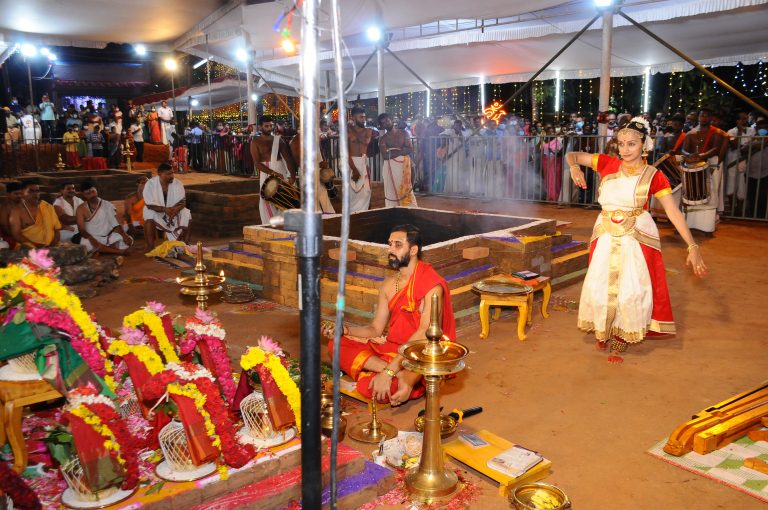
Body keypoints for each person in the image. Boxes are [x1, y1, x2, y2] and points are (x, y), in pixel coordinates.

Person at [566, 117, 706, 364]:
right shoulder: (607, 163)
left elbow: (673, 212)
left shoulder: (654, 176)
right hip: (606, 233)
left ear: (645, 144)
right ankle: (605, 327)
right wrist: (574, 167)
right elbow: (574, 155)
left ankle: (621, 337)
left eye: (631, 144)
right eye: (621, 144)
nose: (625, 149)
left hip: (635, 237)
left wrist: (692, 246)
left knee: (630, 289)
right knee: (599, 284)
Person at [323, 224, 456, 404]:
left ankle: (403, 379)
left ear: (414, 250)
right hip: (392, 350)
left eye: (398, 245)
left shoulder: (431, 285)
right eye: (390, 244)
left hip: (418, 354)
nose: (390, 249)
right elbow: (375, 329)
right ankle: (399, 377)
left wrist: (389, 372)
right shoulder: (388, 284)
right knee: (335, 344)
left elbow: (424, 334)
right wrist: (344, 330)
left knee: (369, 388)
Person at [681, 108, 728, 233]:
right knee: (691, 193)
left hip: (710, 166)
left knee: (710, 194)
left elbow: (715, 149)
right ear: (698, 117)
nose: (704, 118)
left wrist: (701, 156)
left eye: (707, 116)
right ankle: (689, 224)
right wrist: (690, 156)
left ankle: (707, 226)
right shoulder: (691, 133)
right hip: (693, 166)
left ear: (710, 118)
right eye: (702, 116)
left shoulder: (716, 133)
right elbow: (684, 150)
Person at [250, 115, 298, 224]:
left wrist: (293, 175)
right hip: (266, 171)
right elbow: (257, 164)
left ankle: (284, 226)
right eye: (266, 126)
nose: (269, 128)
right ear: (260, 127)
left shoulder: (278, 140)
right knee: (266, 200)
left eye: (271, 125)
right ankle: (270, 226)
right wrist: (273, 173)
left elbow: (288, 159)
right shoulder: (255, 142)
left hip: (280, 170)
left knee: (286, 199)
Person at [142, 162, 191, 250]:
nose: (172, 176)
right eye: (168, 174)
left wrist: (174, 211)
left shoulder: (178, 183)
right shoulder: (150, 184)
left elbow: (183, 202)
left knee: (186, 213)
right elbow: (149, 204)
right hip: (157, 211)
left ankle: (186, 244)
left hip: (174, 210)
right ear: (160, 174)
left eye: (172, 173)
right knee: (149, 215)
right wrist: (164, 209)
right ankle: (150, 246)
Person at [76, 181, 132, 255]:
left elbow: (115, 224)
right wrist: (92, 239)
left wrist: (125, 235)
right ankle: (117, 251)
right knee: (86, 244)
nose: (92, 195)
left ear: (96, 190)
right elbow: (81, 229)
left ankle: (103, 250)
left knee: (128, 240)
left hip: (108, 236)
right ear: (84, 195)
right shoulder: (81, 208)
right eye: (88, 193)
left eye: (93, 191)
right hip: (92, 237)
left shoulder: (107, 204)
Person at [378, 113, 417, 208]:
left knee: (407, 188)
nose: (386, 123)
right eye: (383, 123)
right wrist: (400, 152)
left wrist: (395, 152)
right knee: (391, 191)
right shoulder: (383, 139)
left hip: (404, 166)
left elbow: (410, 149)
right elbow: (385, 156)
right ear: (382, 126)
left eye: (387, 120)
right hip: (390, 168)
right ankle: (393, 212)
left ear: (391, 120)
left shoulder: (404, 133)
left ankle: (409, 210)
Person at [8, 182, 61, 248]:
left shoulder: (47, 207)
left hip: (51, 246)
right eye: (31, 191)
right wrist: (35, 246)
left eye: (37, 191)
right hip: (28, 248)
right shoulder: (16, 211)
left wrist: (52, 246)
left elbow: (57, 229)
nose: (35, 193)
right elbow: (16, 235)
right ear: (22, 193)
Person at [347, 106, 373, 212]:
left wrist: (352, 129)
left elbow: (365, 141)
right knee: (351, 194)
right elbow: (346, 152)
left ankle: (362, 214)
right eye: (360, 117)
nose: (363, 119)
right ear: (353, 118)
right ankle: (352, 218)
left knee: (365, 192)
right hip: (351, 163)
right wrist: (353, 169)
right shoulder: (347, 132)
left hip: (363, 162)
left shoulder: (368, 130)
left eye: (364, 117)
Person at [0, 182, 25, 248]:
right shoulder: (5, 207)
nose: (19, 196)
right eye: (16, 194)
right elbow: (5, 228)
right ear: (8, 194)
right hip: (11, 237)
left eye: (20, 193)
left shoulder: (25, 204)